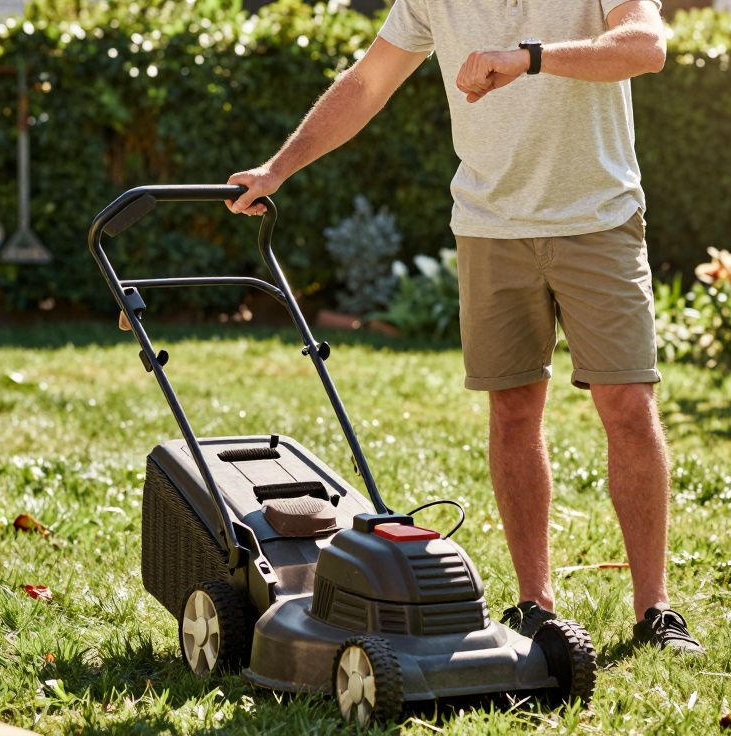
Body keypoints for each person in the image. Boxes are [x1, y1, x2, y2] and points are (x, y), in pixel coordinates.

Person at [227, 0, 702, 654]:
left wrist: (529, 59)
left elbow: (646, 47)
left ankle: (655, 609)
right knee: (512, 410)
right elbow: (368, 82)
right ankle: (535, 604)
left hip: (599, 221)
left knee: (626, 404)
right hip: (490, 228)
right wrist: (278, 167)